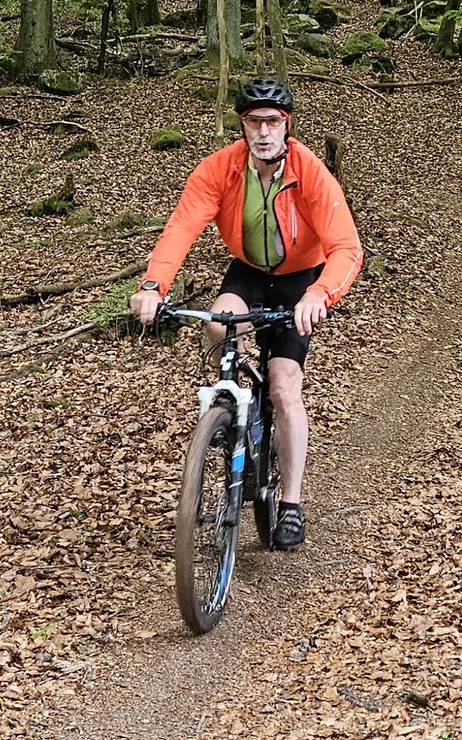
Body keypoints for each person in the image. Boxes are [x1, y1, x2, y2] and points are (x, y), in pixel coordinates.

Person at [131, 76, 362, 551]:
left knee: (283, 385)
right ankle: (231, 400)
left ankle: (292, 503)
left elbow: (346, 247)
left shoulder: (310, 172)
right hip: (250, 272)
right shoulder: (220, 170)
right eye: (254, 122)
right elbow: (181, 228)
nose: (263, 131)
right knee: (218, 321)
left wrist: (320, 294)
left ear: (286, 125)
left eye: (272, 122)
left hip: (301, 279)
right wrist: (153, 285)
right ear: (242, 126)